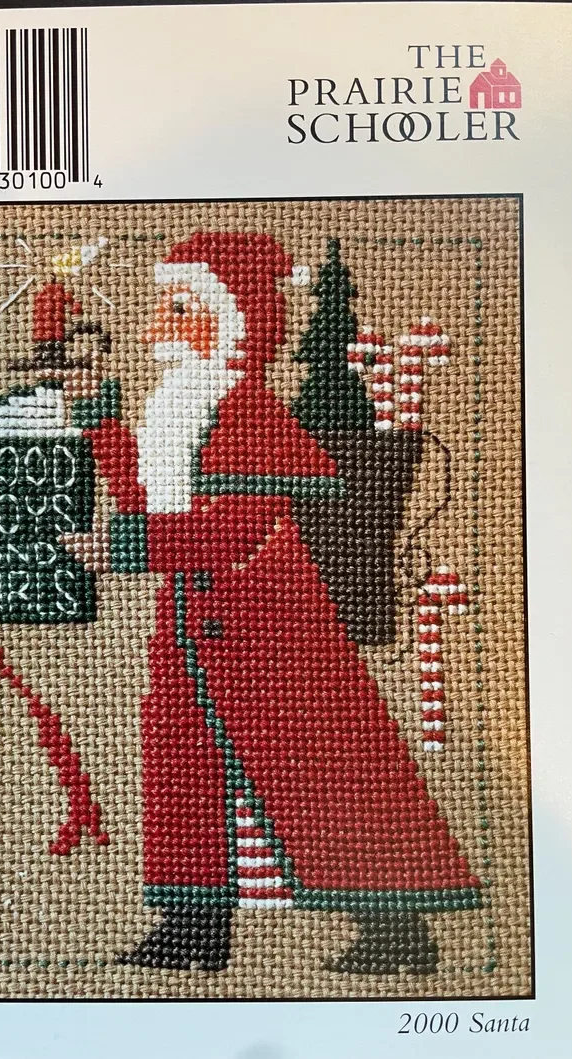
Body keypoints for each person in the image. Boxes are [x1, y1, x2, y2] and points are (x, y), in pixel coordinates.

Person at [63, 232, 480, 974]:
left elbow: (233, 528)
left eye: (179, 307)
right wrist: (98, 414)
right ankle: (194, 926)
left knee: (317, 769)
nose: (158, 323)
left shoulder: (249, 414)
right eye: (164, 304)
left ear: (230, 320)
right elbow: (147, 501)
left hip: (268, 627)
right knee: (187, 771)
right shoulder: (180, 409)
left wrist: (122, 547)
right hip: (193, 626)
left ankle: (396, 927)